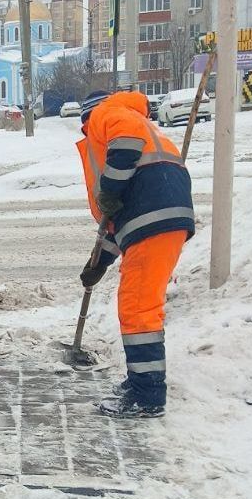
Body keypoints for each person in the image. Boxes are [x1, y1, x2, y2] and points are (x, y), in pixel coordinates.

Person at [76, 90, 195, 419]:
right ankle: (140, 382)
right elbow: (125, 226)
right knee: (139, 303)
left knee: (139, 307)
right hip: (160, 216)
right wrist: (99, 263)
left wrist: (109, 191)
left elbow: (125, 144)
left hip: (154, 216)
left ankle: (147, 396)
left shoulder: (107, 114)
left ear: (87, 119)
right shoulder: (140, 122)